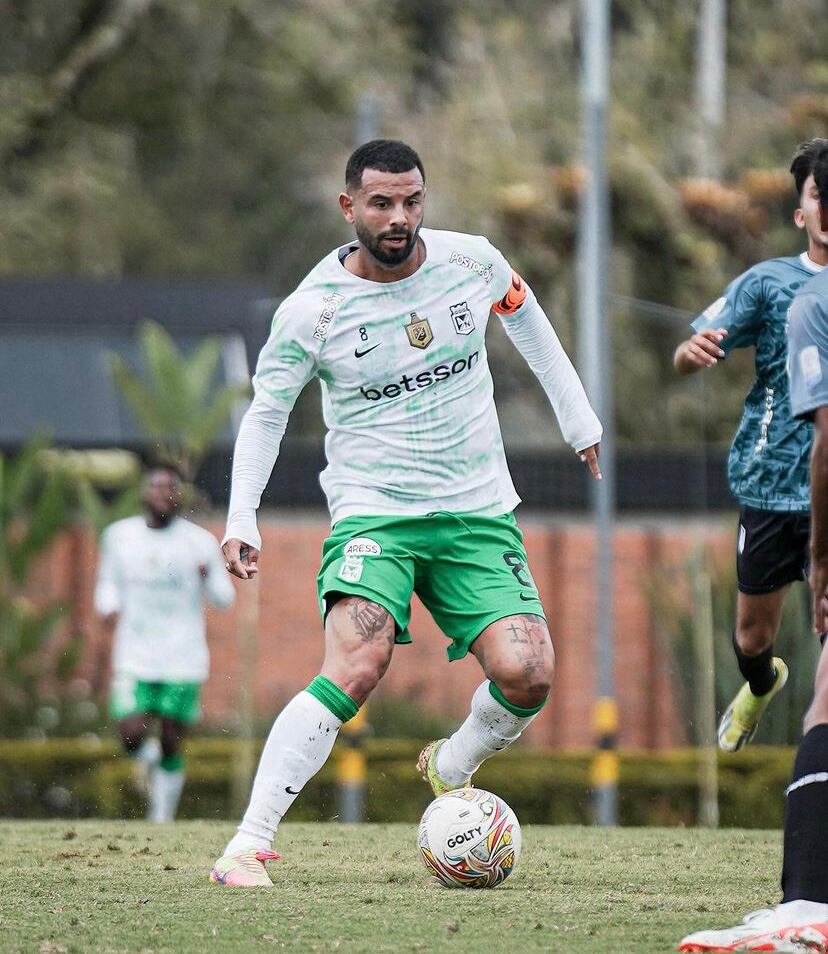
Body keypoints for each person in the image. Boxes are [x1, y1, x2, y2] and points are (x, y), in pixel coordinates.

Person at [209, 139, 602, 887]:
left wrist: (578, 420)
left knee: (530, 674)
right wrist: (241, 517)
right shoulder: (312, 313)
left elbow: (528, 318)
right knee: (357, 663)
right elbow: (265, 416)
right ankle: (247, 845)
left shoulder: (471, 263)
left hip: (477, 509)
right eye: (382, 203)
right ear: (348, 206)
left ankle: (451, 764)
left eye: (412, 201)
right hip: (375, 514)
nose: (399, 218)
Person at [678, 142, 828, 953]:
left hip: (826, 493)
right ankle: (759, 684)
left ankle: (808, 900)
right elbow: (698, 337)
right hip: (771, 491)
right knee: (753, 639)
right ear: (800, 208)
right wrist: (696, 348)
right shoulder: (773, 285)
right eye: (811, 194)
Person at [94, 465, 235, 822]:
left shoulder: (199, 542)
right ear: (144, 494)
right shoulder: (119, 536)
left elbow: (224, 597)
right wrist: (108, 607)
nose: (163, 494)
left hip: (182, 656)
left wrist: (208, 577)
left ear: (179, 496)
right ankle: (146, 759)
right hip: (135, 653)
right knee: (130, 733)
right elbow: (108, 583)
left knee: (173, 737)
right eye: (156, 487)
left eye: (170, 488)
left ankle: (162, 815)